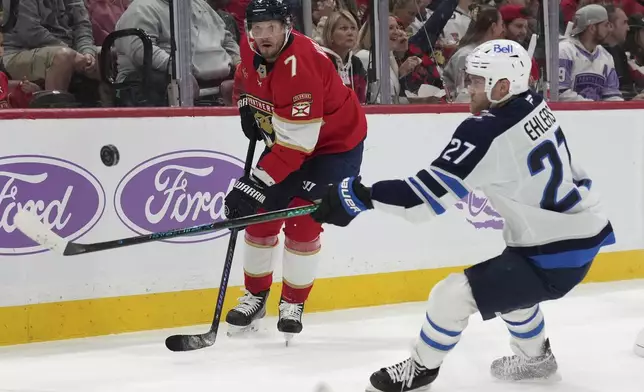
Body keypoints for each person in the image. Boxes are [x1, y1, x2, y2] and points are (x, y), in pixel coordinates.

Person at [311, 39, 615, 391]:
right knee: (509, 289)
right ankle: (537, 361)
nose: (465, 87)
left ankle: (421, 370)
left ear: (502, 86)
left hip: (556, 248)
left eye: (475, 81)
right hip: (577, 229)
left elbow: (420, 202)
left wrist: (358, 196)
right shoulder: (532, 103)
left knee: (451, 295)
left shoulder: (486, 132)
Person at [223, 0, 367, 343]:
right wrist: (246, 103)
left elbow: (297, 147)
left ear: (287, 27)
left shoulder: (300, 67)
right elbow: (246, 76)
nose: (263, 36)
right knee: (261, 215)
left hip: (334, 146)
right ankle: (256, 297)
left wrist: (252, 184)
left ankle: (292, 302)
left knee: (302, 220)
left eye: (271, 27)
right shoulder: (252, 46)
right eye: (257, 29)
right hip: (292, 135)